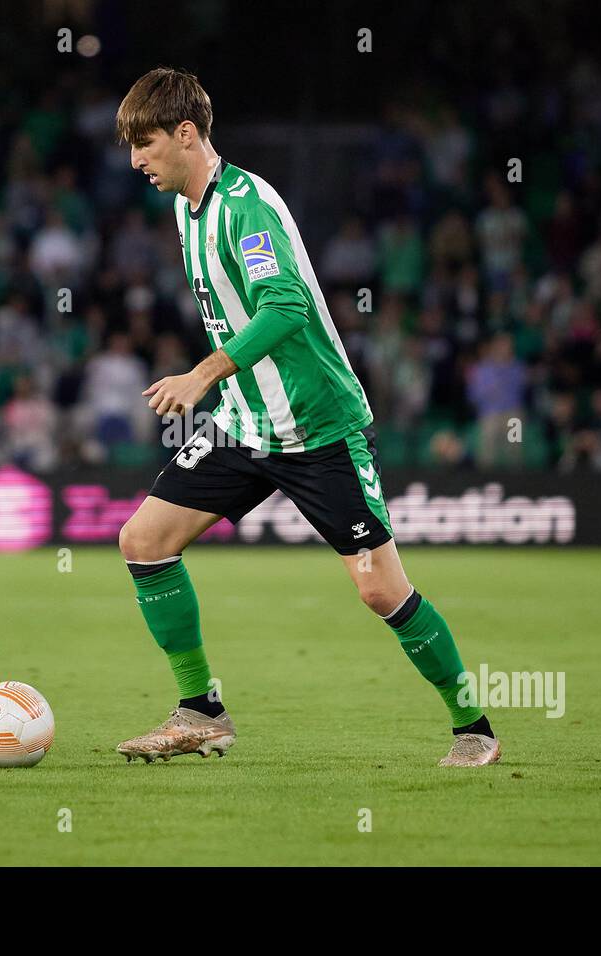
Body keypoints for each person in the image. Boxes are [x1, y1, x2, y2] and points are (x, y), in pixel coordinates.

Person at [111, 68, 498, 768]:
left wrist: (201, 374)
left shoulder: (246, 207)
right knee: (143, 540)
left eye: (144, 142)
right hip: (244, 424)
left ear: (186, 134)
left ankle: (473, 727)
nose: (136, 159)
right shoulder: (184, 206)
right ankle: (201, 711)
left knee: (381, 590)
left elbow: (285, 308)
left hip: (319, 429)